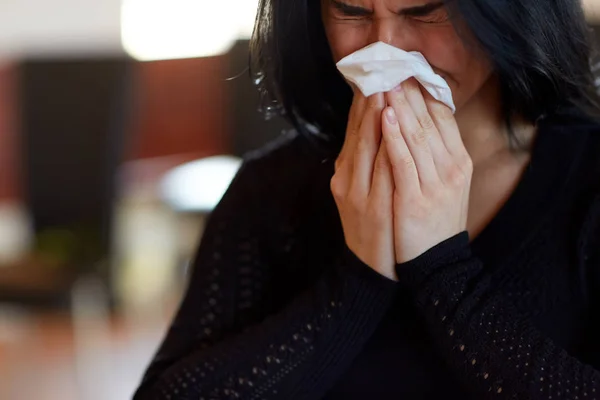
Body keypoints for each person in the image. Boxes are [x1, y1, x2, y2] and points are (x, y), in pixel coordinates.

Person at [134, 0, 600, 398]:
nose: (386, 49)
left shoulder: (587, 184)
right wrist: (359, 277)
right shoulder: (270, 190)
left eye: (425, 11)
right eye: (351, 10)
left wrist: (442, 269)